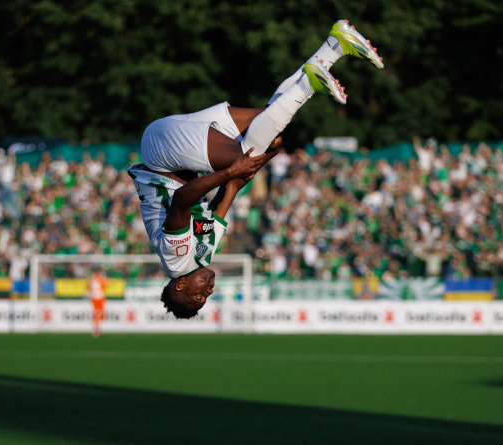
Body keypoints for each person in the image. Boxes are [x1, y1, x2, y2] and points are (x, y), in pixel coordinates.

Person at [128, 19, 384, 319]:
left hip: (162, 152)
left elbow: (184, 197)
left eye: (198, 295)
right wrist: (263, 161)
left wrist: (231, 171)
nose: (207, 292)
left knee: (246, 151)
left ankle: (308, 84)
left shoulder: (177, 261)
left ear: (181, 286)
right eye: (206, 298)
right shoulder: (203, 255)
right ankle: (336, 44)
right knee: (271, 121)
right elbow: (231, 190)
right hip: (178, 145)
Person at [88, 270, 107, 337]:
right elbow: (104, 286)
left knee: (96, 313)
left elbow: (89, 287)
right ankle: (97, 328)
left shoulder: (92, 278)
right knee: (99, 313)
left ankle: (96, 328)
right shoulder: (100, 278)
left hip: (94, 297)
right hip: (99, 297)